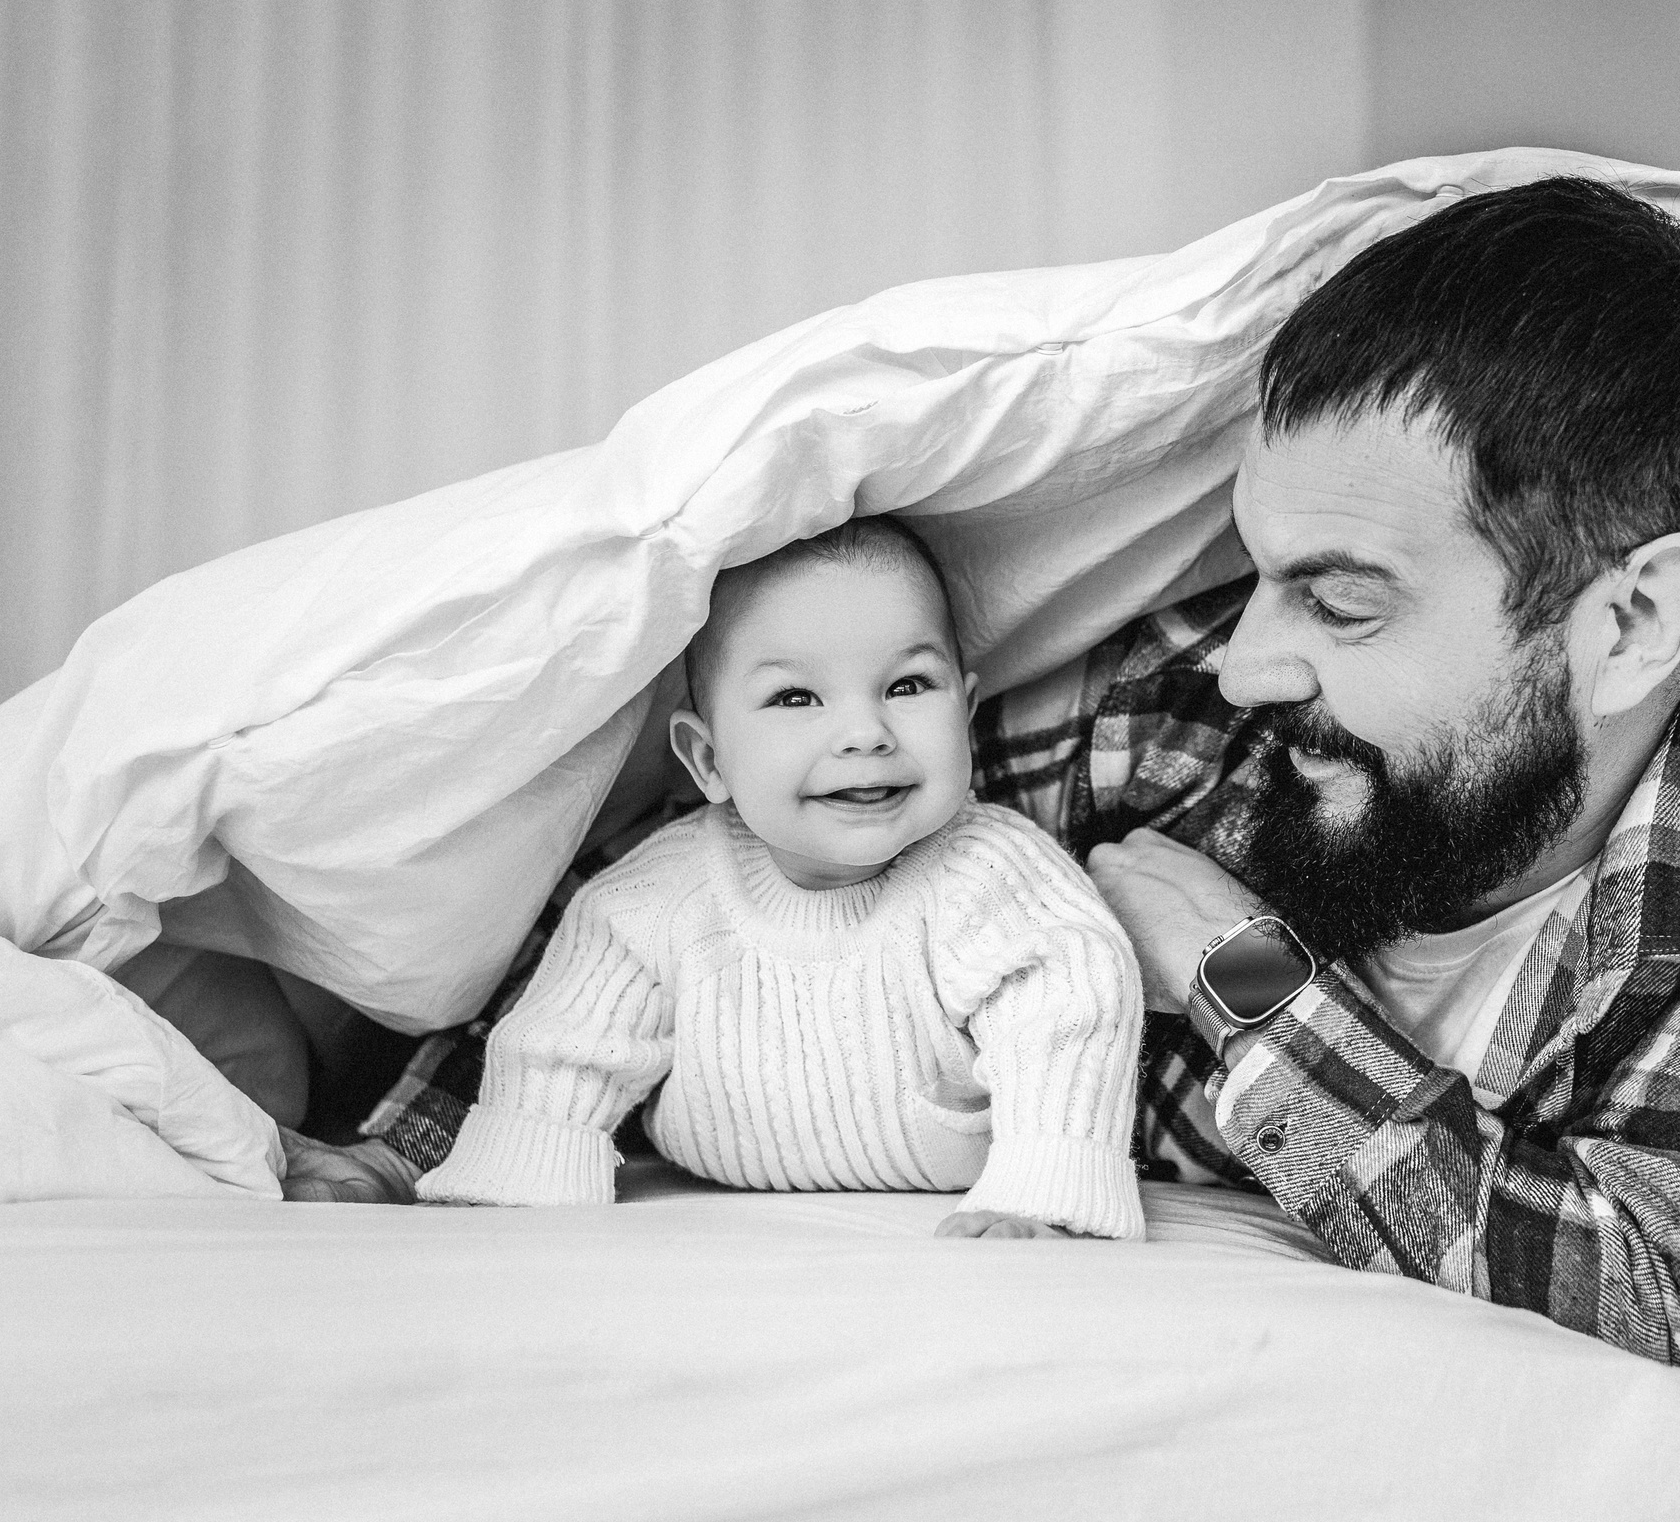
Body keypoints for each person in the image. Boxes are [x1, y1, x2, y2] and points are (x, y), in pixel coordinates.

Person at [296, 177, 1680, 1364]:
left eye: (1338, 599)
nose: (1245, 659)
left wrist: (1242, 973)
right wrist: (402, 1143)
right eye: (1254, 570)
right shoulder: (1207, 706)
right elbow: (724, 861)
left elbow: (1655, 1285)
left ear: (1629, 618)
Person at [400, 519, 1147, 1240]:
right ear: (708, 760)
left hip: (971, 1179)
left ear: (968, 709)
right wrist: (517, 1178)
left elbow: (1072, 1007)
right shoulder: (662, 895)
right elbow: (565, 1043)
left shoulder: (988, 874)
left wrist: (1042, 1188)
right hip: (711, 1173)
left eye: (909, 685)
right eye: (797, 698)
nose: (865, 732)